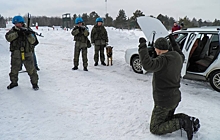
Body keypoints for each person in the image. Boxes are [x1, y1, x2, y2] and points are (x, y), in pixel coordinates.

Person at [138, 36, 200, 140]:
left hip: (164, 101)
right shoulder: (178, 57)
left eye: (155, 48)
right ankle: (190, 120)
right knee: (167, 118)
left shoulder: (162, 60)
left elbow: (147, 65)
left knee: (155, 127)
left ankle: (183, 122)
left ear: (157, 49)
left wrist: (142, 47)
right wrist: (173, 41)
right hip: (174, 98)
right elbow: (180, 52)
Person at [5, 15, 39, 90]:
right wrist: (18, 34)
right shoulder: (13, 31)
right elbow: (8, 38)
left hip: (27, 53)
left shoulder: (28, 30)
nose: (18, 25)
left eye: (19, 23)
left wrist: (28, 34)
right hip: (16, 54)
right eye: (16, 23)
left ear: (22, 23)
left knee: (31, 69)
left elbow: (33, 41)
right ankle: (14, 82)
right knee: (14, 69)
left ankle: (35, 83)